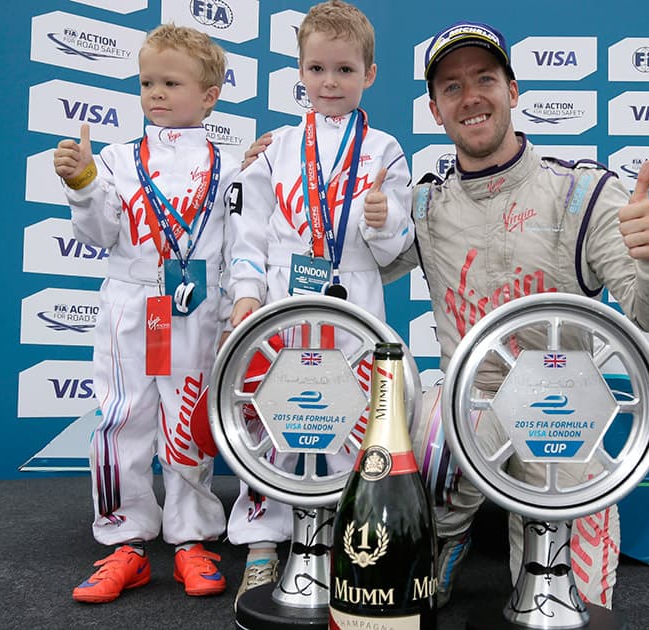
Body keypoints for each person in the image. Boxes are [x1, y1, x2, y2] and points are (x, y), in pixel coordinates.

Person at [381, 21, 649, 610]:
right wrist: (279, 171)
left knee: (575, 603)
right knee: (422, 433)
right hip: (470, 404)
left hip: (562, 408)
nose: (470, 97)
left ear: (513, 90)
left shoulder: (583, 195)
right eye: (452, 87)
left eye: (485, 80)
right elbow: (346, 260)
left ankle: (548, 572)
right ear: (435, 108)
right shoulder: (424, 205)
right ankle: (443, 538)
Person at [225, 0, 414, 606]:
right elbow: (248, 231)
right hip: (283, 299)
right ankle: (262, 540)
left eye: (344, 70)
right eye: (317, 69)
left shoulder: (384, 149)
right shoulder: (276, 147)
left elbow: (396, 247)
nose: (330, 83)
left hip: (353, 298)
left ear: (370, 74)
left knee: (349, 415)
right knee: (271, 414)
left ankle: (336, 538)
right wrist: (248, 294)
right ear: (300, 73)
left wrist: (384, 223)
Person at [52, 24, 240, 604]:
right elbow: (101, 231)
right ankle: (125, 541)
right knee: (121, 418)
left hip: (196, 305)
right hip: (132, 305)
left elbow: (238, 249)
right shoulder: (115, 159)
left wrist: (234, 309)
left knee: (187, 423)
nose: (155, 93)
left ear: (209, 95)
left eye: (171, 82)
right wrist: (83, 184)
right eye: (146, 83)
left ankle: (191, 537)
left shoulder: (231, 165)